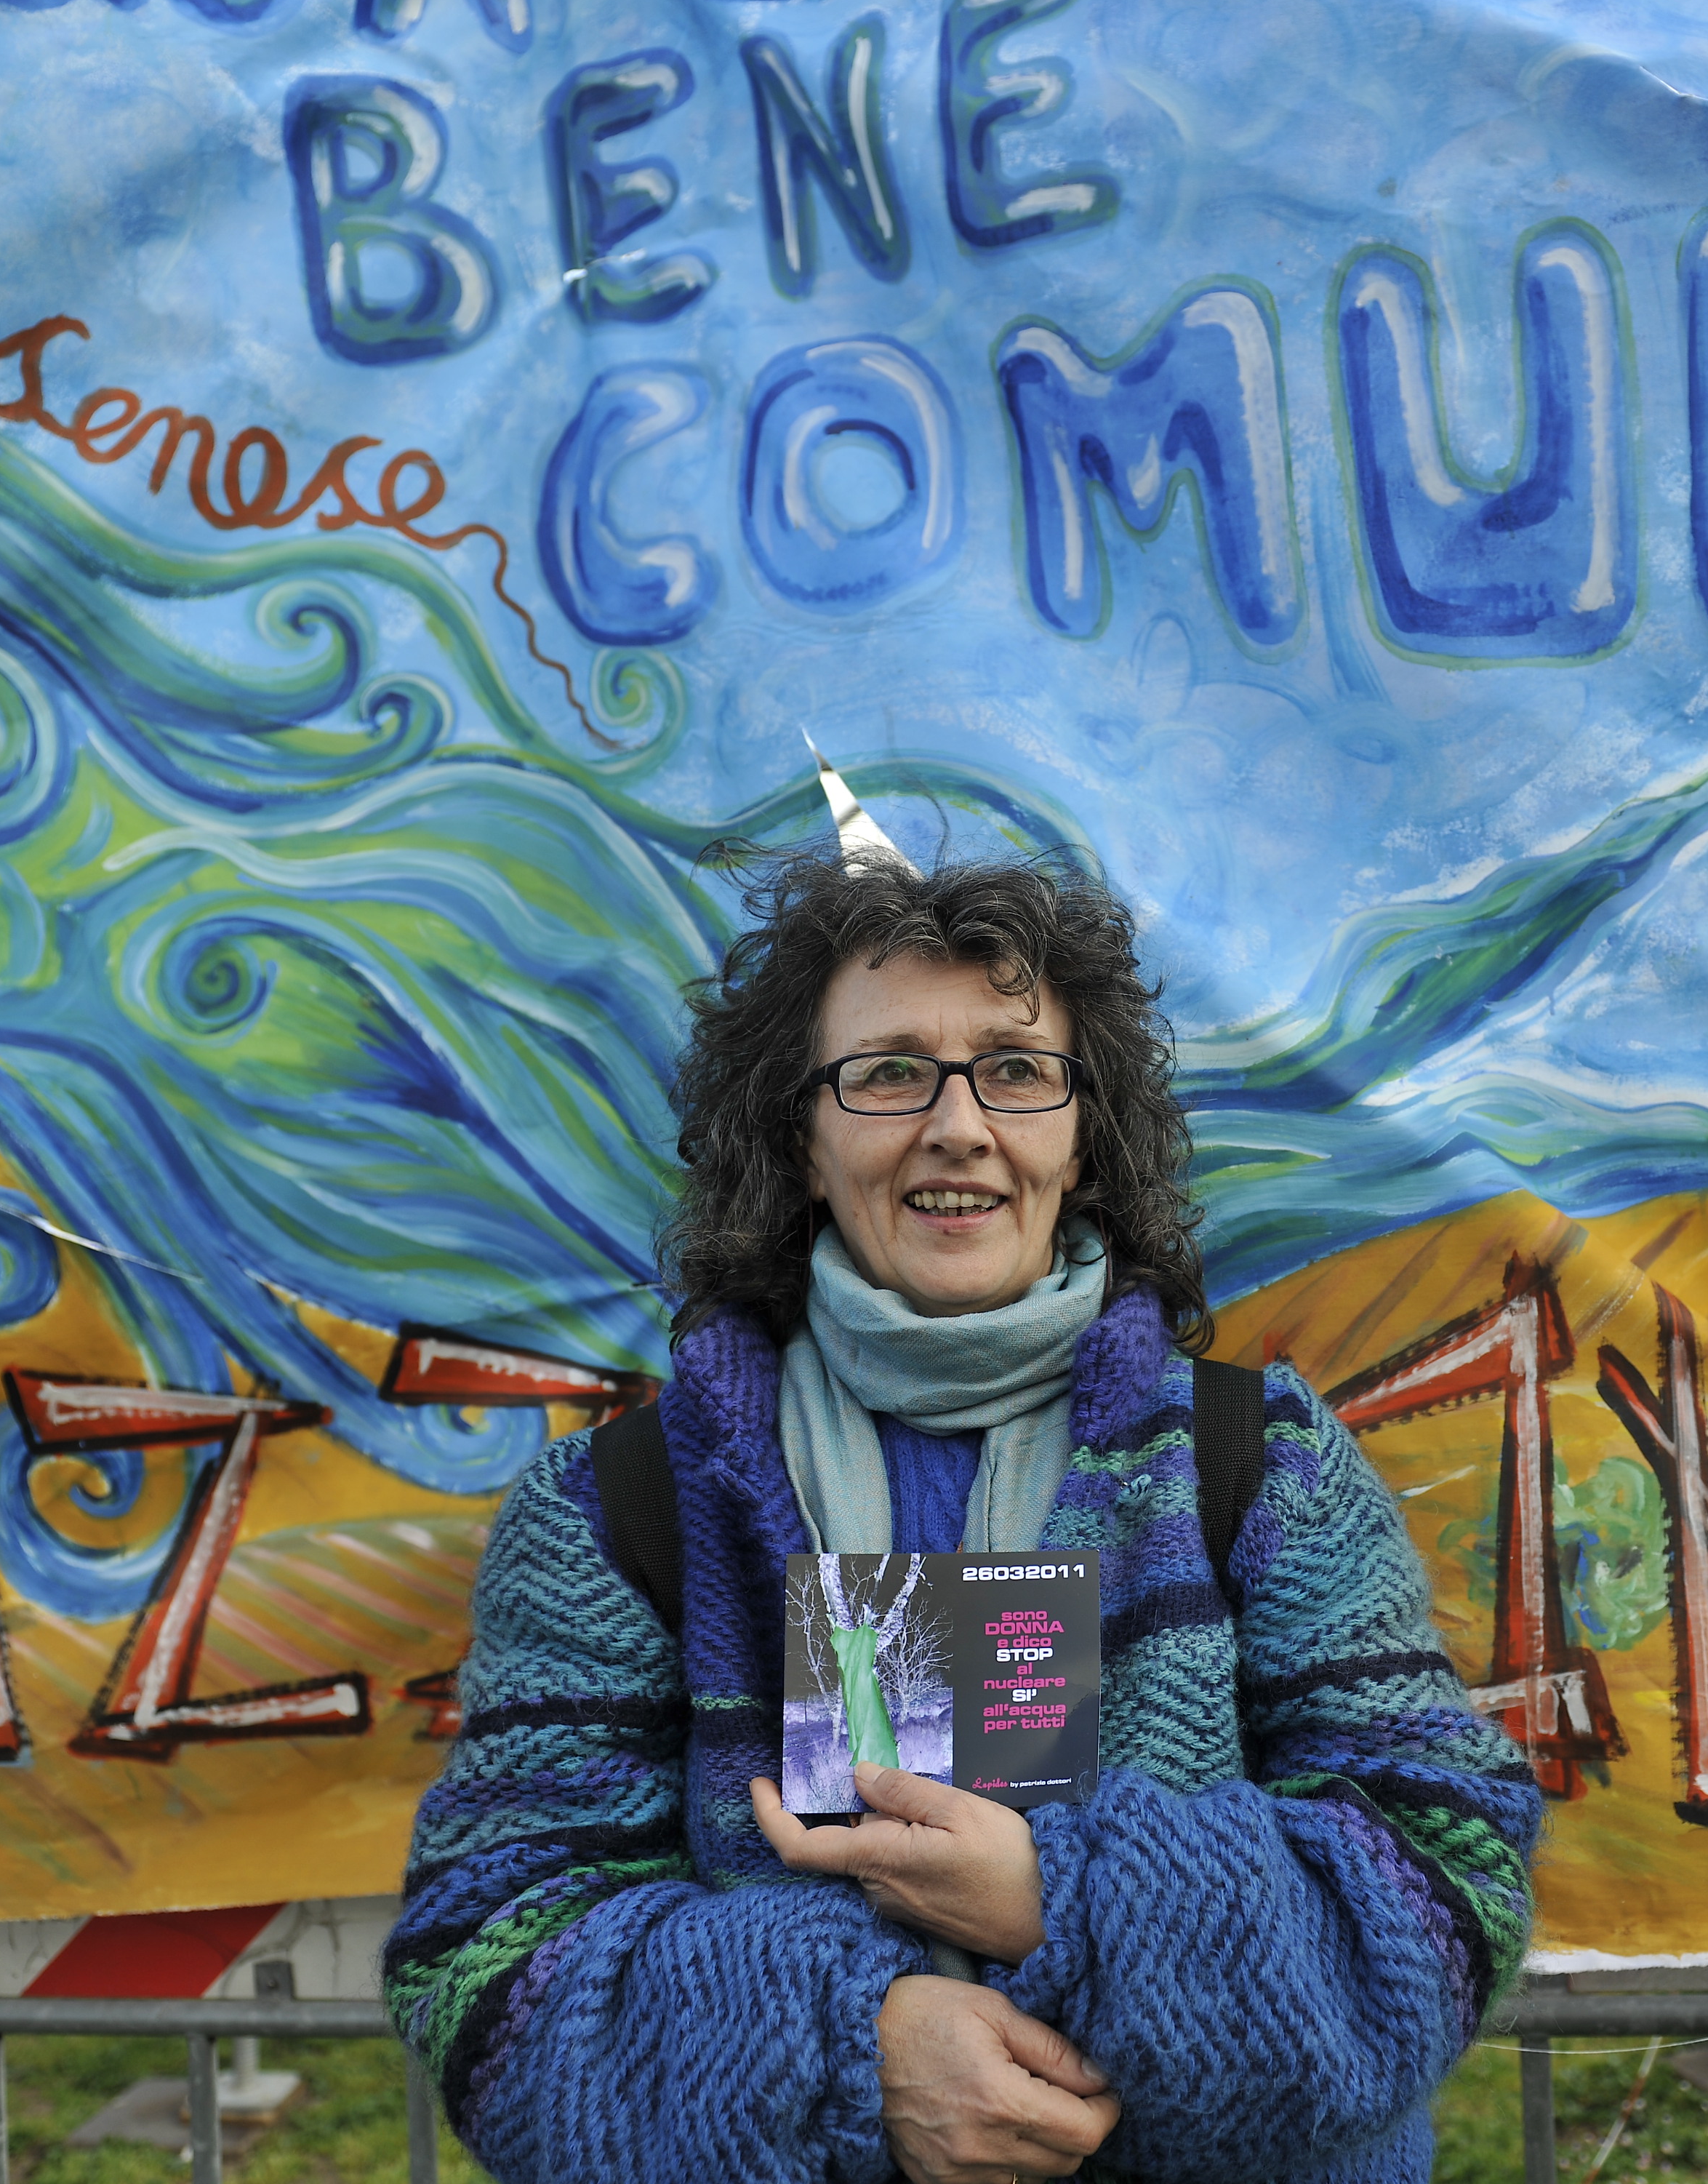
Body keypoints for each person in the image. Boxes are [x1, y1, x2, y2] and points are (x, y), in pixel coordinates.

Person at [385, 847, 1541, 2183]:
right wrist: (854, 2048)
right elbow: (487, 1958)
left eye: (1016, 1069)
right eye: (887, 1073)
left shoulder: (1260, 1467)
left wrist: (1062, 1900)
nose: (957, 1124)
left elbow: (1445, 1876)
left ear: (1080, 1133)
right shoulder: (620, 1515)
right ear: (801, 1141)